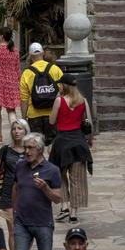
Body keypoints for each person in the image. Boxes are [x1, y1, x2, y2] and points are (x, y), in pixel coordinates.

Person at [11, 133, 62, 250]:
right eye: (25, 148)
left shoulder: (52, 170)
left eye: (30, 148)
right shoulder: (20, 166)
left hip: (43, 222)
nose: (26, 151)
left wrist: (45, 188)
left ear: (40, 149)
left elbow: (58, 199)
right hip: (22, 222)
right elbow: (16, 188)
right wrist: (14, 210)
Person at [48, 81, 93, 224]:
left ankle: (64, 205)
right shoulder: (83, 101)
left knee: (59, 175)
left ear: (65, 86)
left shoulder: (59, 100)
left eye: (60, 85)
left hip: (62, 143)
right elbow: (89, 123)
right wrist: (89, 140)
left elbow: (52, 120)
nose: (59, 87)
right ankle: (73, 213)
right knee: (77, 180)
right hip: (78, 143)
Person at [0, 119, 28, 250]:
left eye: (20, 129)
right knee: (12, 229)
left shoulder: (31, 148)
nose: (17, 131)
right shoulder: (5, 150)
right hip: (7, 190)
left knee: (26, 229)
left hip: (26, 191)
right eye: (14, 129)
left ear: (25, 131)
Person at [19, 42, 64, 146]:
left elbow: (24, 99)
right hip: (52, 113)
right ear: (43, 53)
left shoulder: (27, 73)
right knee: (54, 145)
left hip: (34, 115)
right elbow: (63, 90)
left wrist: (24, 117)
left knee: (36, 146)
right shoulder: (55, 69)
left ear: (30, 56)